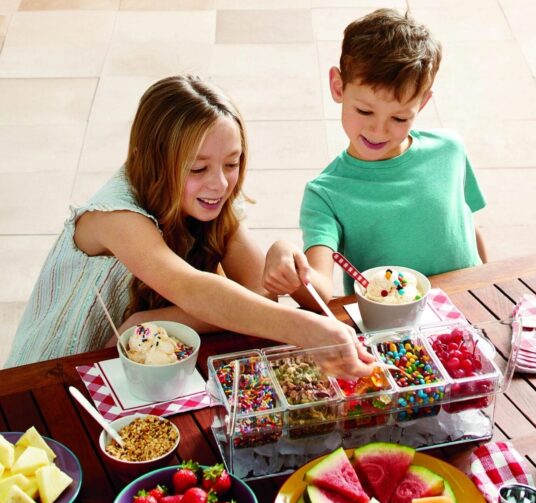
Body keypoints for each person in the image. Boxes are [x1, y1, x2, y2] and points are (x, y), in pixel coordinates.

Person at [6, 75, 375, 377]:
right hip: (52, 373)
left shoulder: (212, 200)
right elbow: (193, 289)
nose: (219, 183)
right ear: (153, 162)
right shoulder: (114, 217)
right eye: (198, 169)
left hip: (138, 368)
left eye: (231, 163)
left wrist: (150, 320)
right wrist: (304, 329)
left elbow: (257, 294)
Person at [262, 8, 487, 308]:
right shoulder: (325, 194)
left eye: (399, 117)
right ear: (338, 86)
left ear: (422, 103)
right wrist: (289, 264)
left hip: (469, 314)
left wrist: (490, 284)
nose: (378, 130)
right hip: (397, 335)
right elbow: (321, 290)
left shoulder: (450, 150)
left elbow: (468, 228)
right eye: (364, 111)